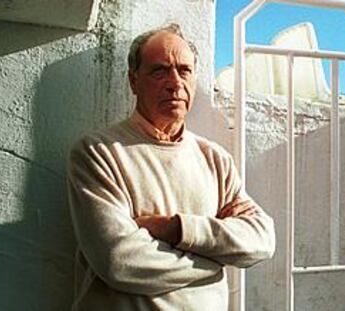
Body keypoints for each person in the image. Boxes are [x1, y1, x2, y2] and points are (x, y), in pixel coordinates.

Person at [67, 23, 275, 311]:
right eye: (159, 70)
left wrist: (177, 229)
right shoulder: (99, 153)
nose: (174, 82)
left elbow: (262, 239)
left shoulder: (214, 158)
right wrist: (217, 260)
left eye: (184, 70)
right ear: (133, 81)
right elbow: (119, 261)